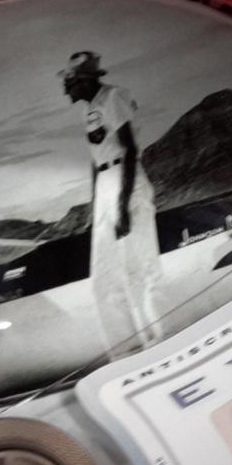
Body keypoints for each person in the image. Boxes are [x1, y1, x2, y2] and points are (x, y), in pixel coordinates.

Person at [60, 52, 163, 354]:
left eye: (69, 83)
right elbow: (96, 159)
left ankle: (162, 335)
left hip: (125, 180)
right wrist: (97, 205)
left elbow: (129, 149)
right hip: (106, 184)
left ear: (84, 80)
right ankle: (127, 348)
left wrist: (122, 204)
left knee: (141, 265)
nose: (66, 90)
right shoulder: (88, 108)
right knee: (105, 276)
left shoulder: (113, 97)